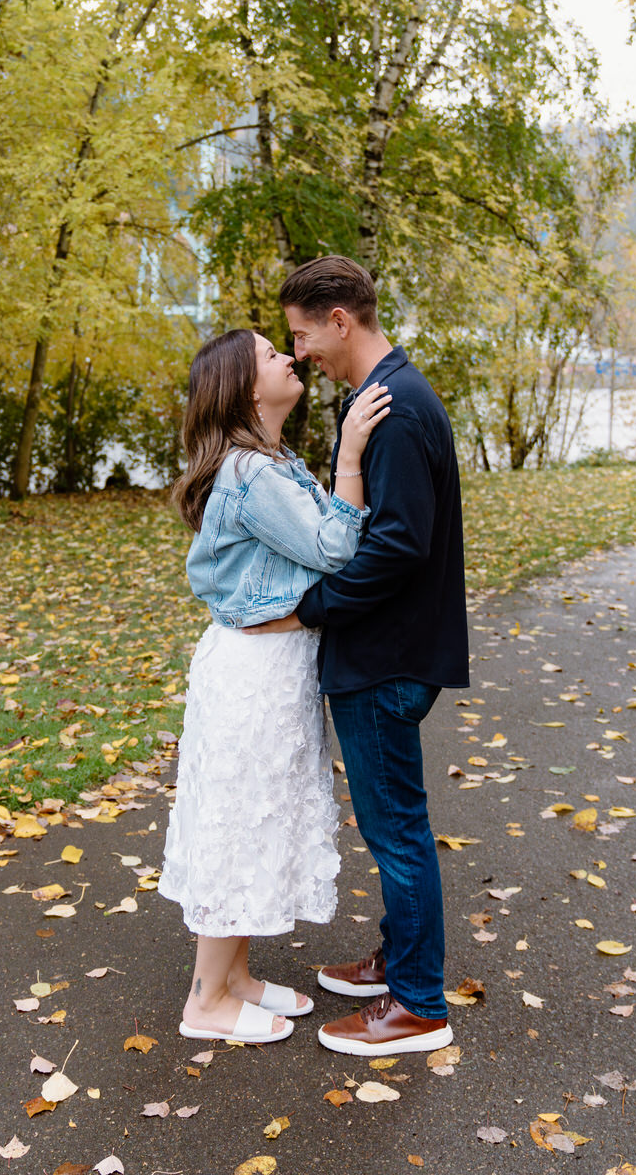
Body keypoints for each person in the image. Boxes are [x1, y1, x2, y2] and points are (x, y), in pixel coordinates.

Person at [246, 255, 470, 1056]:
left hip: (387, 658)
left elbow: (398, 546)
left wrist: (311, 610)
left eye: (303, 335)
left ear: (340, 321)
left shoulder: (399, 410)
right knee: (392, 828)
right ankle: (398, 960)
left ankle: (416, 1005)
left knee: (398, 831)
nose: (299, 351)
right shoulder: (387, 399)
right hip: (386, 651)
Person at [158, 326, 391, 1044]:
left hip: (270, 668)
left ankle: (235, 980)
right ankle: (206, 1002)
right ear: (245, 388)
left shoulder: (271, 460)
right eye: (269, 354)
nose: (288, 357)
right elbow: (332, 548)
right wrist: (351, 452)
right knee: (238, 821)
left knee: (257, 816)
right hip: (252, 674)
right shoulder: (250, 473)